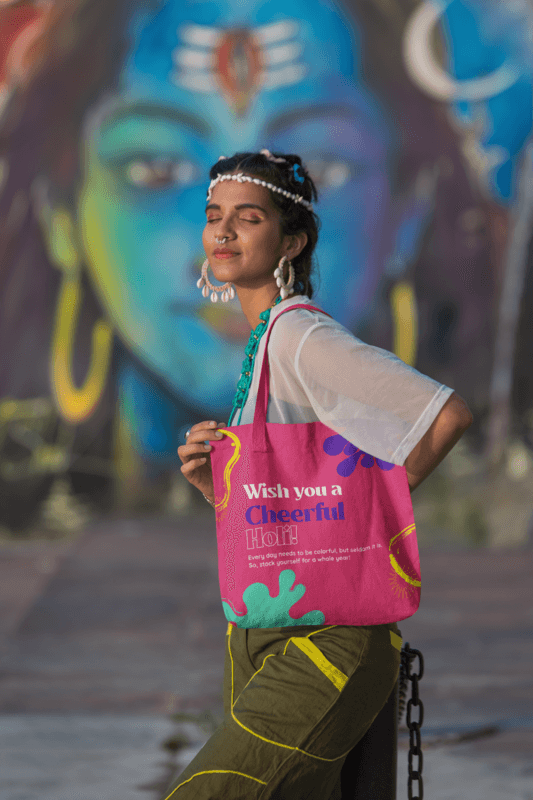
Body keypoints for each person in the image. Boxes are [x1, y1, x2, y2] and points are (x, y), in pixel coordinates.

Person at [174, 149, 473, 799]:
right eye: (213, 215)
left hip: (324, 643)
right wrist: (217, 487)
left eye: (246, 218)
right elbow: (290, 503)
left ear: (292, 238)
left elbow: (443, 414)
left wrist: (372, 516)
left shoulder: (299, 336)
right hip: (263, 632)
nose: (222, 231)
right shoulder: (263, 342)